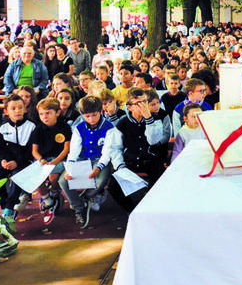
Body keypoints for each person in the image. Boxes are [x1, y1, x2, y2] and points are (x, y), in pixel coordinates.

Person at [60, 96, 116, 228]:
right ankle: (79, 207)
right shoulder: (79, 128)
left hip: (99, 160)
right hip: (82, 159)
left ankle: (86, 196)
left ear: (101, 111)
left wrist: (99, 168)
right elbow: (74, 149)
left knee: (100, 181)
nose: (91, 119)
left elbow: (107, 151)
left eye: (94, 115)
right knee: (63, 180)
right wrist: (70, 169)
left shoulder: (109, 127)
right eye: (87, 116)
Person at [107, 88, 166, 212]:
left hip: (150, 160)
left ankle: (153, 209)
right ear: (129, 107)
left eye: (145, 102)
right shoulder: (122, 123)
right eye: (138, 104)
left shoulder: (155, 118)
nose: (143, 106)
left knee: (161, 181)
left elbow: (154, 140)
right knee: (113, 186)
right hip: (130, 161)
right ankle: (132, 210)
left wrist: (149, 119)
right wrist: (120, 166)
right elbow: (115, 148)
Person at [0, 93, 37, 222]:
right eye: (13, 108)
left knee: (18, 177)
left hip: (23, 161)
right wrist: (3, 161)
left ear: (25, 109)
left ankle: (10, 209)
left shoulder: (32, 126)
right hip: (7, 160)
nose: (17, 111)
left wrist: (17, 162)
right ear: (6, 111)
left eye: (20, 107)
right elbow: (1, 149)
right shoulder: (2, 128)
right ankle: (2, 206)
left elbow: (30, 151)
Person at [30, 97, 72, 225]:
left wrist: (55, 162)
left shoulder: (64, 127)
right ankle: (47, 199)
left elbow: (66, 149)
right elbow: (34, 151)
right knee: (36, 177)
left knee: (54, 176)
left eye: (48, 113)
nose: (44, 117)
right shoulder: (38, 129)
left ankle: (54, 193)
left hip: (59, 158)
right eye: (41, 114)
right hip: (44, 159)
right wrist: (41, 159)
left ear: (57, 113)